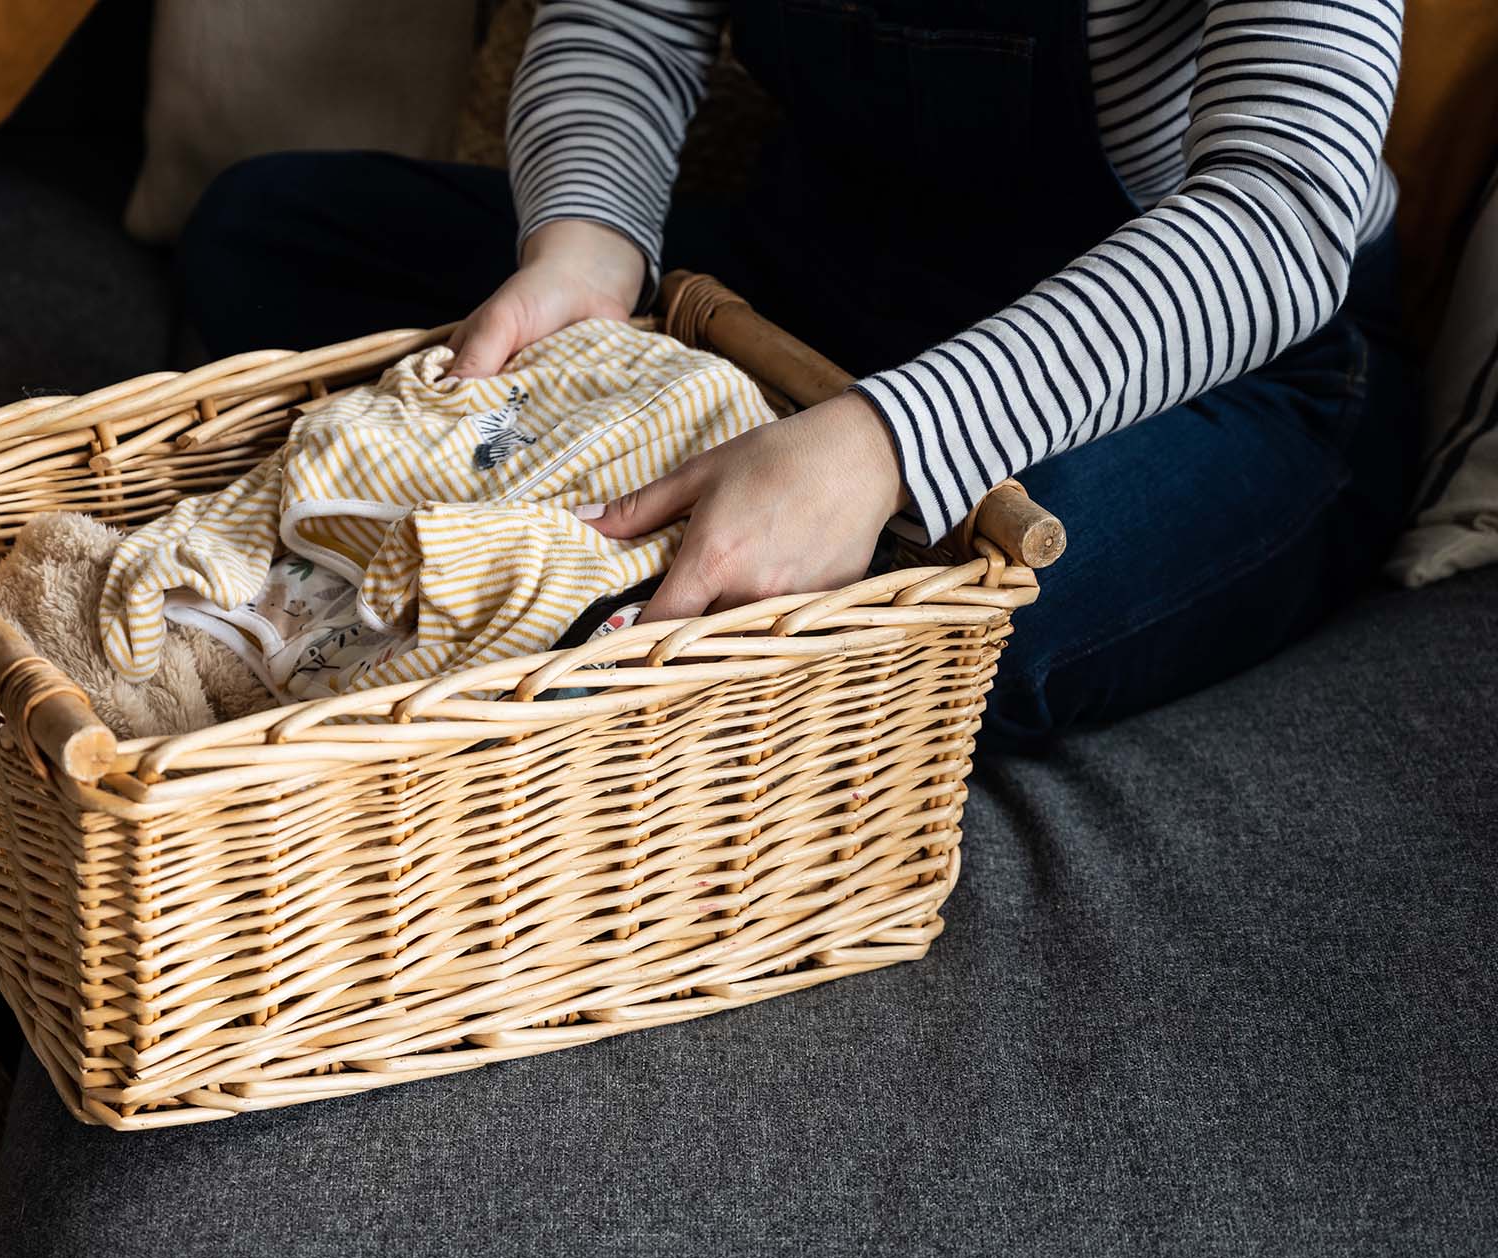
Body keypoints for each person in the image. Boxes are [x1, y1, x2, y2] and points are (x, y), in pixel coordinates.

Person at [179, 0, 1413, 750]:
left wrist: (888, 443)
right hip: (824, 282)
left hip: (1205, 363)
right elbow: (625, 25)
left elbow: (1286, 203)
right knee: (264, 235)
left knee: (941, 636)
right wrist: (586, 256)